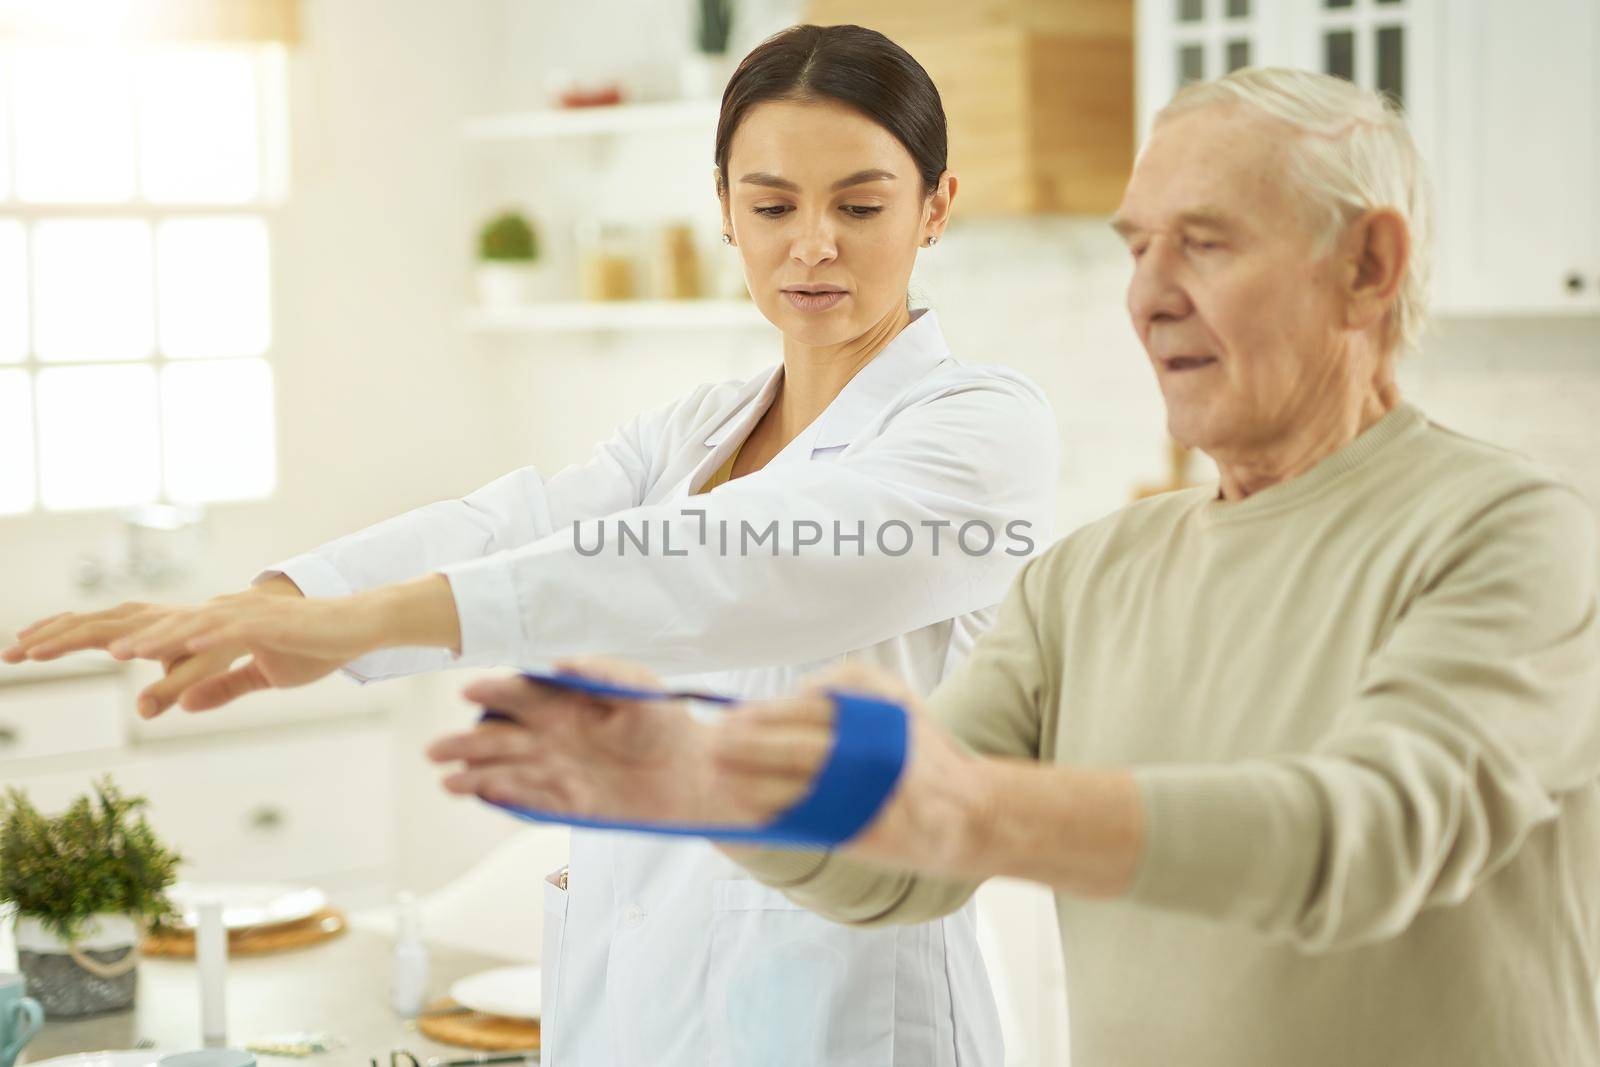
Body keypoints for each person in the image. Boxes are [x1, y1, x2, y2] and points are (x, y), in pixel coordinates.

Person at [428, 68, 1600, 1067]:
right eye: (1138, 246)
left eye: (1206, 242)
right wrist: (697, 780)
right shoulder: (1093, 575)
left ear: (1368, 266)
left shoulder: (1504, 532)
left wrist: (970, 805)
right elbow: (894, 874)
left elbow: (1365, 836)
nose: (1149, 293)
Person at [3, 25, 1059, 1067]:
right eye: (772, 204)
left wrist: (352, 619)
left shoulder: (980, 429)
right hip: (629, 992)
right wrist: (288, 595)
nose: (812, 242)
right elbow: (526, 521)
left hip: (843, 1000)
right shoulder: (699, 425)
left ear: (935, 208)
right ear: (724, 212)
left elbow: (718, 561)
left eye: (860, 205)